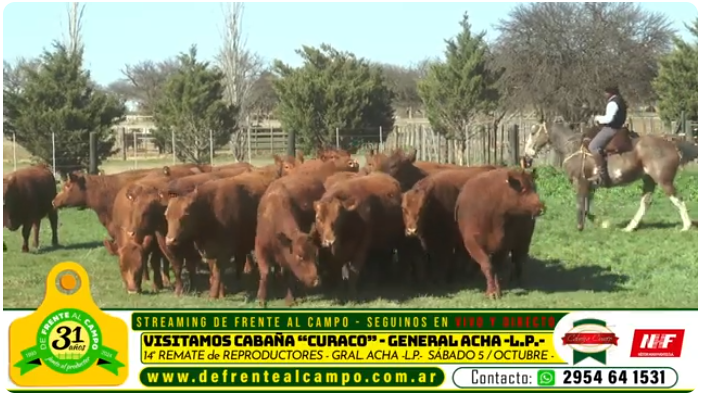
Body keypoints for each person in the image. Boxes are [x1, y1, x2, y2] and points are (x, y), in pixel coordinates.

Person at [589, 85, 628, 187]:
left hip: (612, 128)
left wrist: (597, 118)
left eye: (606, 92)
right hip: (618, 127)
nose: (604, 94)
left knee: (593, 146)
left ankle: (601, 174)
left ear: (610, 93)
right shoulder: (620, 100)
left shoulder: (613, 102)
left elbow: (609, 118)